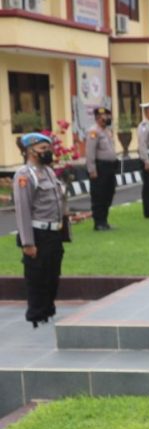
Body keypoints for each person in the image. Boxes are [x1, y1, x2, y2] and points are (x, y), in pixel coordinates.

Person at [13, 132, 68, 328]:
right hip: (38, 234)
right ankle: (36, 315)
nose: (48, 152)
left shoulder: (49, 172)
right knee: (37, 276)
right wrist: (28, 242)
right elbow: (22, 210)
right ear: (30, 151)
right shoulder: (25, 175)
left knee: (53, 274)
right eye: (43, 149)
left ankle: (48, 310)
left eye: (48, 148)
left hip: (53, 232)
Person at [85, 107, 117, 231]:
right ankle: (98, 222)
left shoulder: (107, 131)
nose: (108, 119)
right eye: (105, 116)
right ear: (98, 118)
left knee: (109, 193)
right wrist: (92, 169)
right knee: (99, 195)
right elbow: (90, 152)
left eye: (109, 116)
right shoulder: (94, 132)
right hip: (100, 167)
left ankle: (104, 220)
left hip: (109, 167)